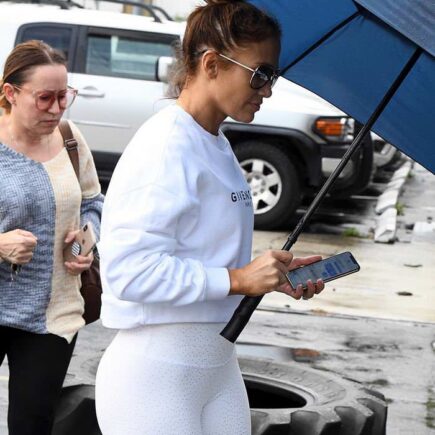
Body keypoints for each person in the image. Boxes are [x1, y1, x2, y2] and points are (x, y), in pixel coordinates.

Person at [96, 1, 325, 434]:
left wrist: (270, 273)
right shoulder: (165, 146)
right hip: (154, 377)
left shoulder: (214, 141)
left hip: (216, 366)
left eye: (273, 75)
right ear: (211, 64)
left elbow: (203, 250)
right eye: (261, 73)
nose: (268, 89)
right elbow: (129, 272)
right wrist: (237, 279)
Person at [0, 40, 103, 435]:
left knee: (34, 424)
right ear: (11, 93)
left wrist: (87, 242)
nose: (57, 108)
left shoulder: (70, 137)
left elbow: (93, 201)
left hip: (52, 315)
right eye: (45, 98)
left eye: (64, 96)